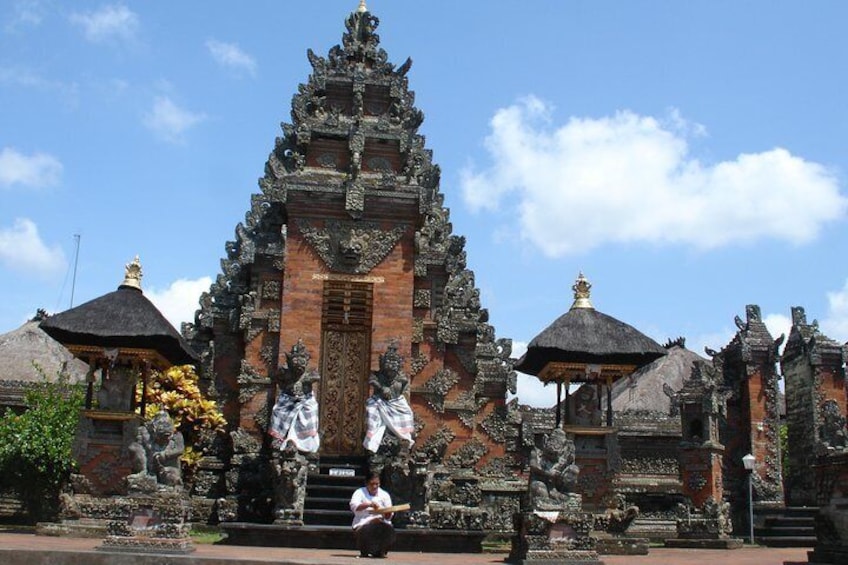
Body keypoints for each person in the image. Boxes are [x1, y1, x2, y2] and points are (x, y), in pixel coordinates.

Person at [349, 471, 395, 558]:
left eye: (377, 484)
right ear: (366, 483)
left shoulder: (385, 495)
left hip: (381, 522)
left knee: (386, 528)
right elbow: (354, 506)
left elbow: (389, 516)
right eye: (372, 484)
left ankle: (381, 550)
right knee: (368, 528)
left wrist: (387, 512)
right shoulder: (359, 492)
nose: (374, 487)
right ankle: (365, 549)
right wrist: (369, 504)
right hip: (363, 522)